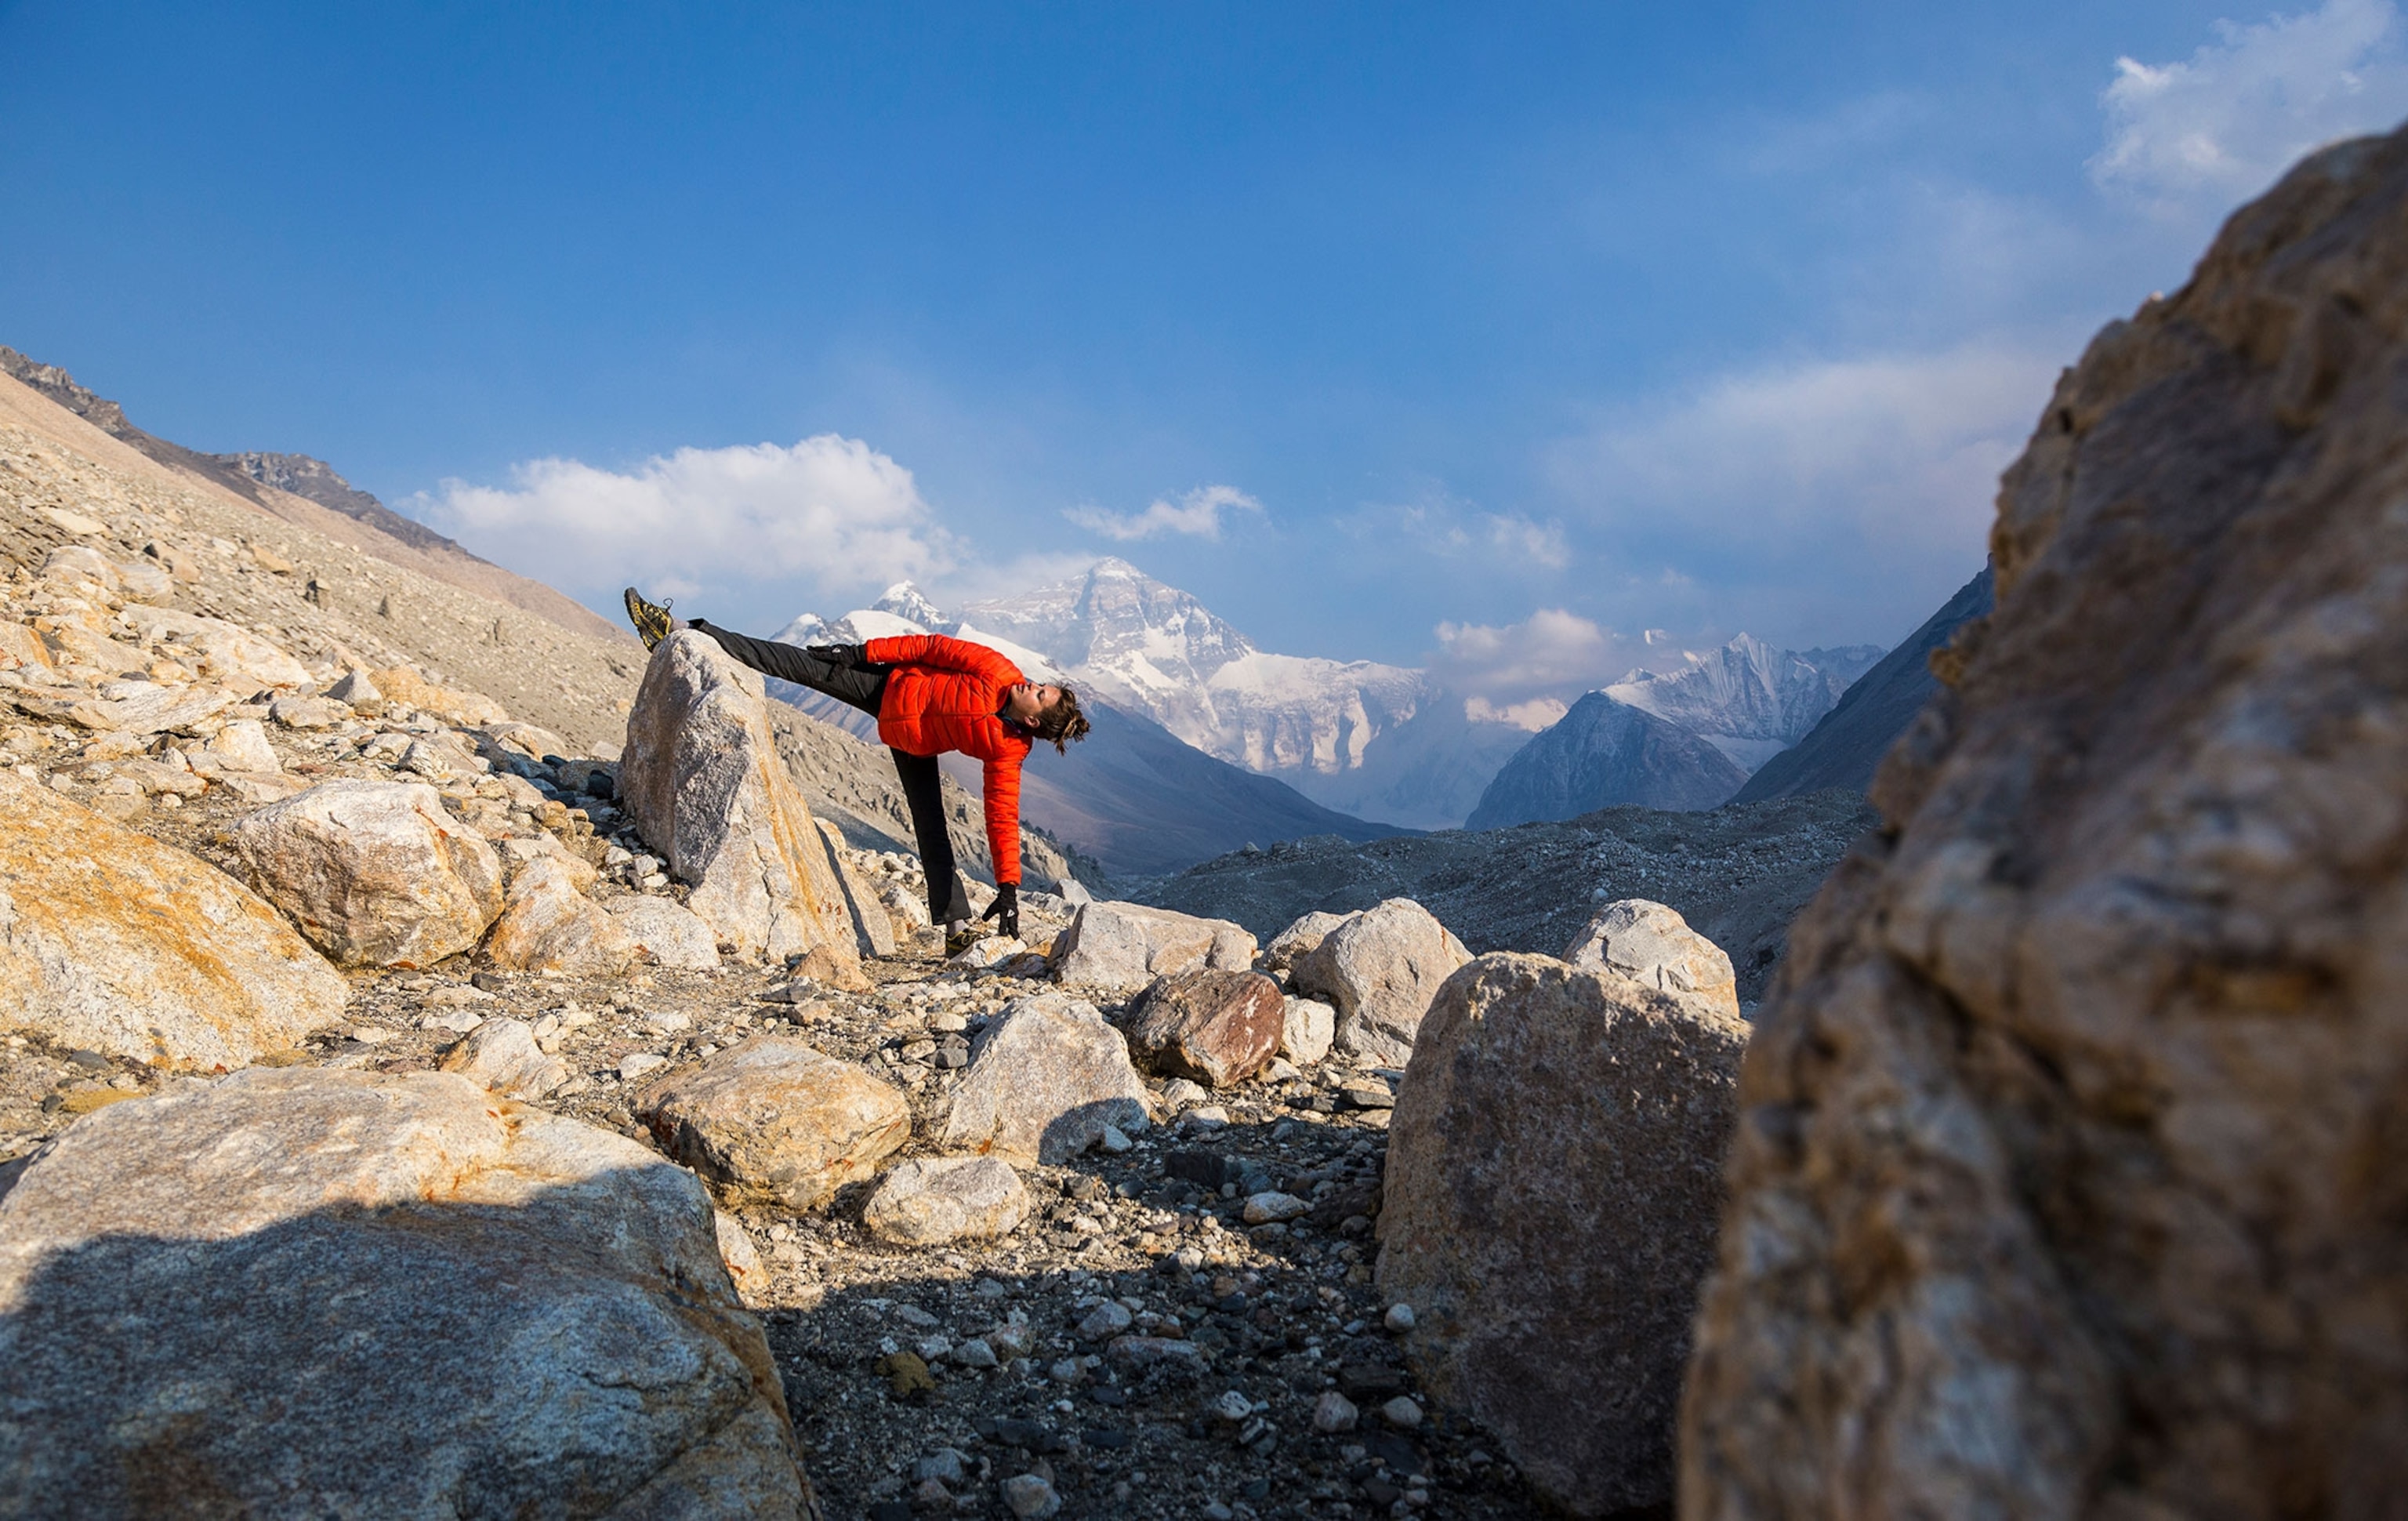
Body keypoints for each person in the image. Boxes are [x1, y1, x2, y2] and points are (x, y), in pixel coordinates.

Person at [621, 586, 1088, 950]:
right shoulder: (997, 669)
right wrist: (861, 655)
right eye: (1043, 685)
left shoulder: (1008, 749)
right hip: (888, 688)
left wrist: (1008, 888)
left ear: (1031, 720)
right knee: (794, 662)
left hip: (915, 744)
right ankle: (678, 627)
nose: (1034, 684)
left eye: (1041, 694)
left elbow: (1001, 816)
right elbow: (928, 646)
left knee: (933, 830)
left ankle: (957, 931)